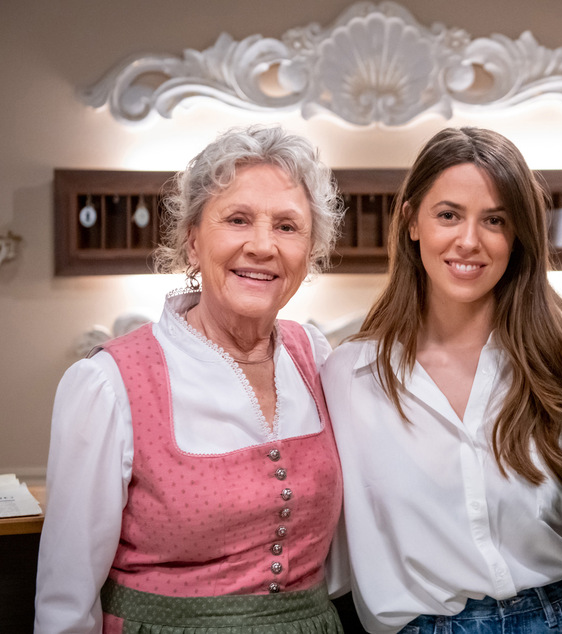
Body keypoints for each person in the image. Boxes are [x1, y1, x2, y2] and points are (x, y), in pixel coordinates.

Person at [34, 124, 346, 633]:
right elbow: (65, 599)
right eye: (238, 219)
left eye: (288, 226)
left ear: (309, 251)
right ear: (192, 241)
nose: (263, 246)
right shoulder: (109, 384)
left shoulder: (316, 356)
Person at [322, 126, 562, 634]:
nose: (469, 241)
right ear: (411, 222)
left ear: (517, 235)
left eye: (494, 220)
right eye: (448, 214)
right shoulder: (348, 377)